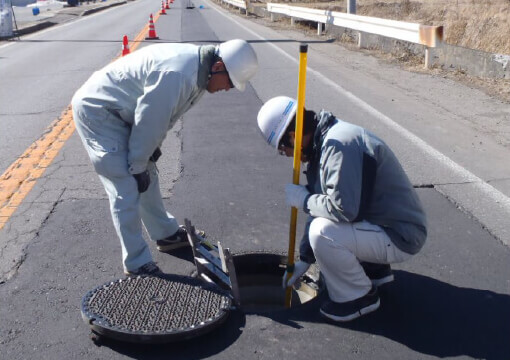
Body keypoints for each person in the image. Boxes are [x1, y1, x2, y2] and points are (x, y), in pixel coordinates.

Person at [72, 39, 258, 276]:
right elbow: (150, 120)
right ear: (219, 67)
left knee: (146, 174)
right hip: (99, 111)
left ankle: (165, 234)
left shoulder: (201, 75)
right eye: (230, 83)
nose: (228, 89)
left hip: (126, 112)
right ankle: (137, 263)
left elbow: (163, 120)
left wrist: (148, 154)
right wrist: (138, 162)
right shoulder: (178, 74)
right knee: (125, 184)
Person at [257, 96, 427, 322]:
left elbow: (345, 211)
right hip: (383, 224)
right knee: (324, 223)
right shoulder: (324, 144)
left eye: (282, 148)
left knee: (323, 233)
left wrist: (305, 200)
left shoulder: (339, 146)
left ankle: (358, 297)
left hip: (401, 234)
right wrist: (305, 259)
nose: (286, 155)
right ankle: (373, 270)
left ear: (293, 136)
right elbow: (326, 205)